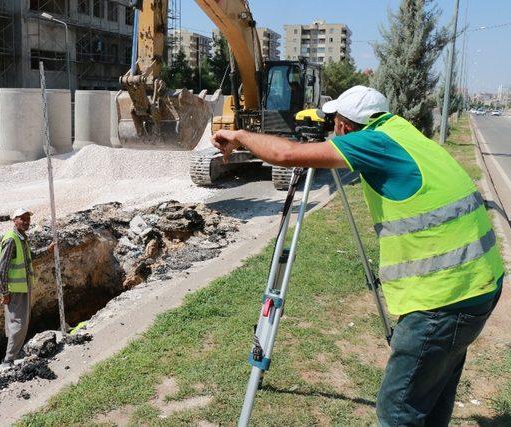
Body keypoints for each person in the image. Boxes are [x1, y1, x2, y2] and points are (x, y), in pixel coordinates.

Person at [212, 85, 505, 426]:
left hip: (442, 301)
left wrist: (241, 135)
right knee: (432, 393)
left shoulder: (372, 143)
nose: (331, 126)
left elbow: (286, 155)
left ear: (346, 126)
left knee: (398, 411)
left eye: (334, 120)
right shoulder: (401, 131)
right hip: (478, 287)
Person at [0, 208, 54, 367]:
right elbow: (1, 269)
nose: (26, 222)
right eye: (23, 219)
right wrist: (4, 293)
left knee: (15, 322)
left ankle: (14, 351)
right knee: (18, 324)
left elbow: (29, 257)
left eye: (28, 219)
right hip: (15, 290)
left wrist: (46, 251)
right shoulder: (11, 239)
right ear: (14, 220)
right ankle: (9, 359)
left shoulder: (21, 238)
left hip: (22, 287)